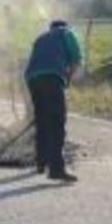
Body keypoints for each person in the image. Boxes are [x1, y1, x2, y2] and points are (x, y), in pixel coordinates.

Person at [24, 19, 82, 182]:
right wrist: (67, 80)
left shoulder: (40, 38)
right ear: (65, 26)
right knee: (56, 122)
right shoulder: (68, 33)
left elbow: (35, 61)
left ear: (51, 28)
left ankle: (41, 162)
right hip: (52, 76)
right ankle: (56, 169)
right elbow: (76, 60)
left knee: (42, 121)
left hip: (32, 79)